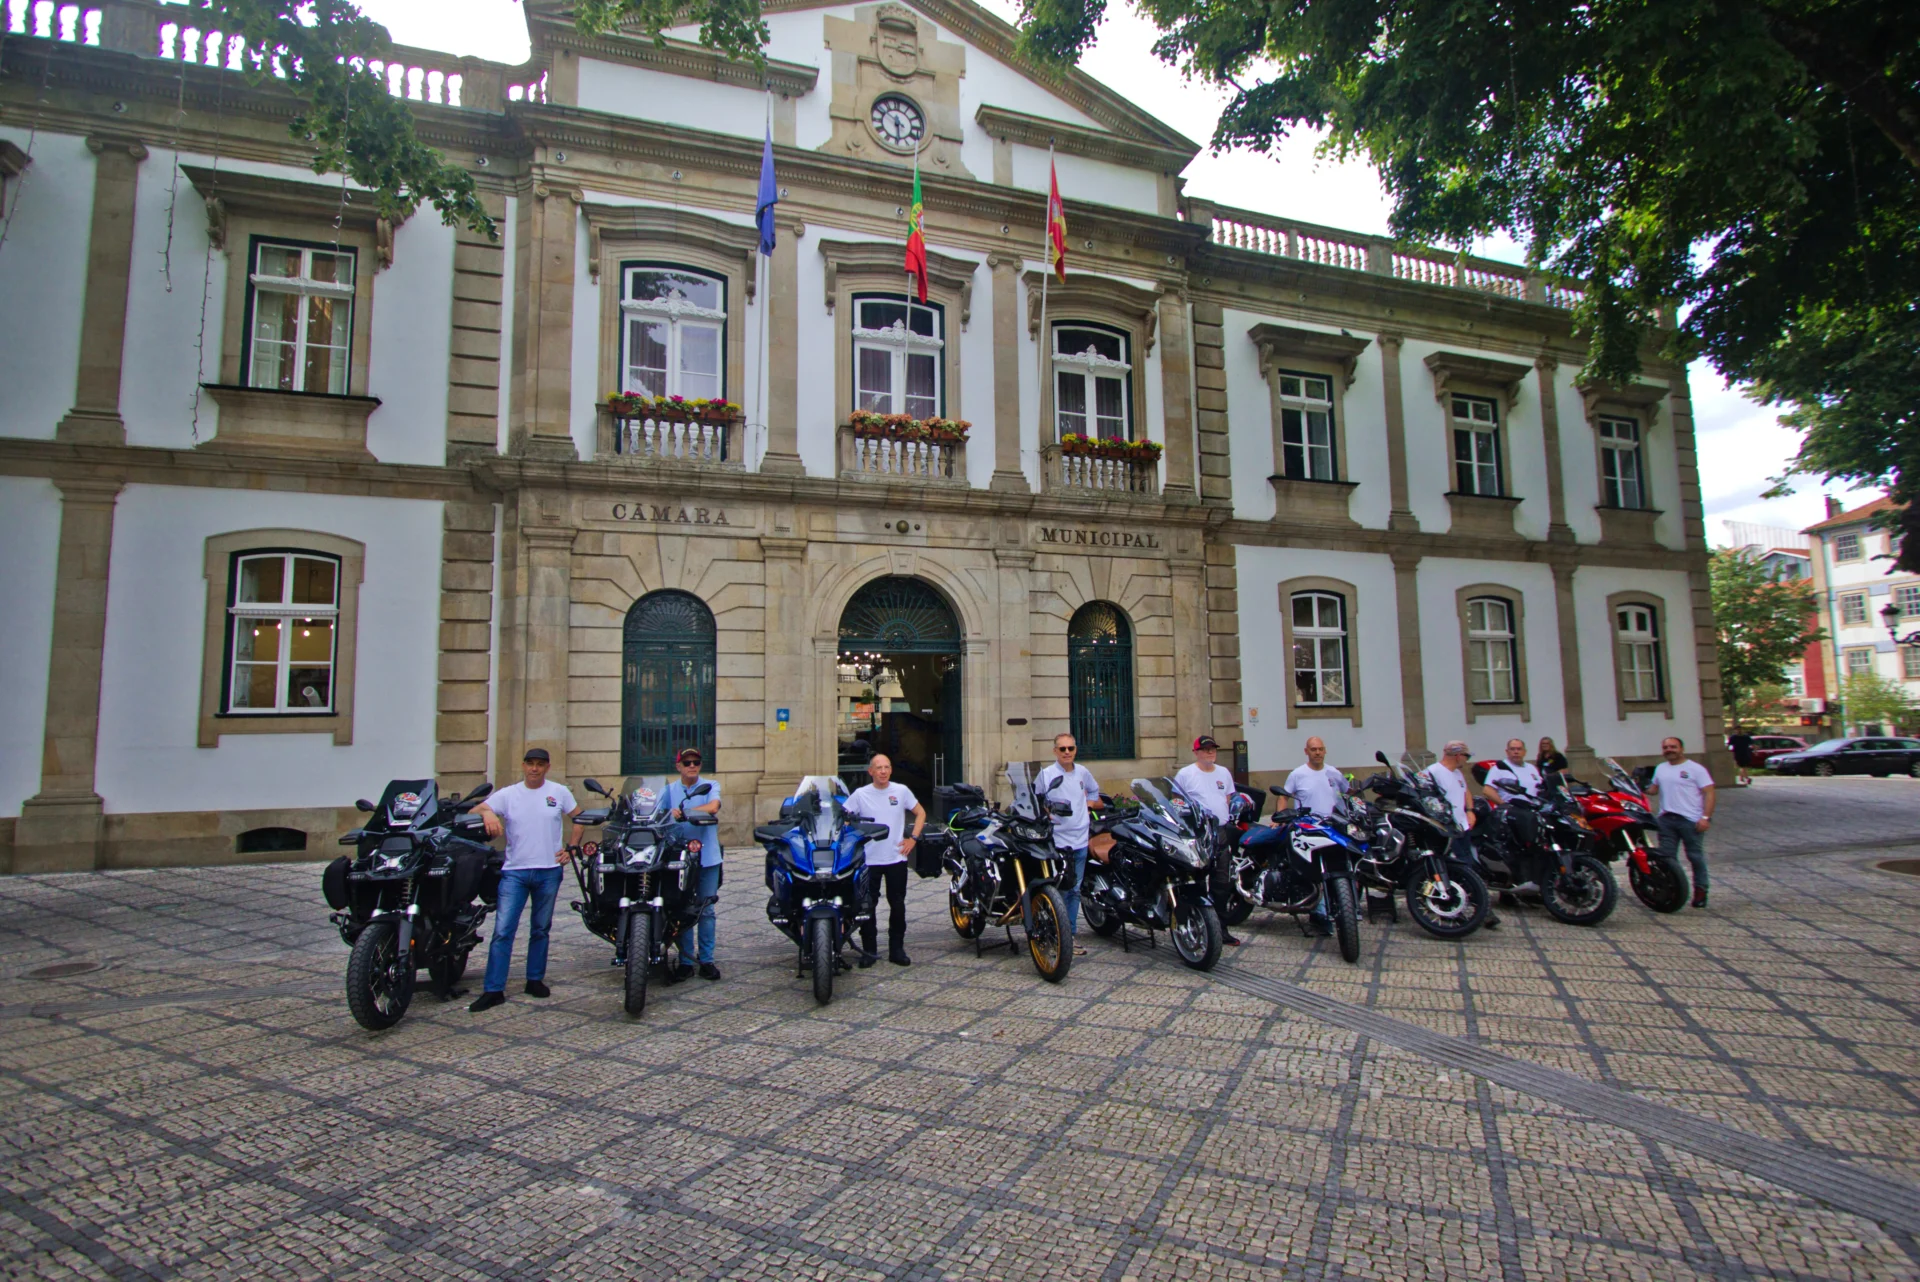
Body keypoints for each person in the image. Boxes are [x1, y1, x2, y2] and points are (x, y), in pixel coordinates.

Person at [470, 748, 584, 1012]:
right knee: (503, 931)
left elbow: (579, 817)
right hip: (515, 872)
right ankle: (493, 988)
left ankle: (534, 979)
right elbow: (477, 808)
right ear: (523, 766)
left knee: (541, 928)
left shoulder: (559, 792)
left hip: (548, 871)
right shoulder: (509, 794)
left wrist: (572, 848)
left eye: (540, 765)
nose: (535, 769)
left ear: (547, 767)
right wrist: (488, 813)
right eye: (530, 764)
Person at [846, 753, 924, 966]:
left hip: (896, 858)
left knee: (897, 904)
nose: (883, 771)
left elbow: (920, 813)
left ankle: (896, 950)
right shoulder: (860, 794)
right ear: (870, 771)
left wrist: (913, 839)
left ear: (891, 770)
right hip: (869, 860)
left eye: (886, 767)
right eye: (878, 767)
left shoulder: (901, 791)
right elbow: (844, 818)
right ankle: (869, 951)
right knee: (867, 906)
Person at [1034, 732, 1104, 956]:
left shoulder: (1083, 772)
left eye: (1070, 749)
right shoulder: (1046, 775)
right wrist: (1046, 813)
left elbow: (1094, 791)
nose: (1067, 752)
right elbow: (1035, 800)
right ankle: (1053, 933)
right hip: (1057, 841)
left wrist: (1089, 804)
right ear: (1055, 751)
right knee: (1056, 890)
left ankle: (1069, 936)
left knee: (1074, 890)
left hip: (1080, 840)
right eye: (1062, 749)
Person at [1173, 734, 1242, 946]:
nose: (1210, 752)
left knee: (1223, 880)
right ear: (1196, 752)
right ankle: (1201, 925)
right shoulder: (1186, 774)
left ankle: (1221, 927)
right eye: (1205, 749)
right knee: (1198, 880)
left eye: (1213, 748)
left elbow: (1228, 798)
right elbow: (1176, 802)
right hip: (1198, 832)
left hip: (1220, 830)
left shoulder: (1223, 773)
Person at [661, 747, 723, 982]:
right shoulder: (668, 790)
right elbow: (658, 814)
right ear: (678, 766)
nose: (692, 766)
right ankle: (686, 960)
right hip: (678, 861)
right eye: (686, 762)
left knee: (706, 909)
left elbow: (713, 807)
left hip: (707, 858)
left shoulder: (710, 785)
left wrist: (685, 812)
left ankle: (706, 960)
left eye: (696, 761)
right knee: (681, 909)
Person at [1424, 739, 1500, 929]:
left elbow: (1465, 791)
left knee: (1469, 865)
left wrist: (1470, 810)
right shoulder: (1433, 772)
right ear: (1458, 755)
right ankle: (1478, 908)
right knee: (1462, 868)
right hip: (1447, 830)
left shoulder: (1457, 772)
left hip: (1462, 827)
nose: (1466, 760)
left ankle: (1478, 906)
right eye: (1465, 756)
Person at [1275, 735, 1347, 935]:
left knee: (1338, 868)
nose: (1317, 753)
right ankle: (1319, 913)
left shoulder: (1334, 773)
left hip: (1333, 828)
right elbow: (1284, 796)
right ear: (1306, 751)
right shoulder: (1298, 774)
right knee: (1314, 872)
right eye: (1313, 749)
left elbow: (1348, 794)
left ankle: (1345, 907)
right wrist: (1280, 817)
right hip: (1307, 829)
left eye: (1321, 749)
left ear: (1325, 751)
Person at [1646, 735, 1715, 909]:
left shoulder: (1695, 769)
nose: (1669, 750)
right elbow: (1653, 790)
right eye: (1666, 747)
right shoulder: (1661, 768)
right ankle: (1671, 891)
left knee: (1695, 857)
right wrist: (1637, 782)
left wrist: (1705, 817)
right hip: (1666, 819)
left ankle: (1701, 890)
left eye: (1673, 747)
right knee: (1667, 859)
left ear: (1681, 749)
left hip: (1690, 820)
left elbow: (1710, 793)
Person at [1484, 738, 1544, 804]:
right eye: (1512, 749)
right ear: (1507, 752)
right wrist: (1503, 804)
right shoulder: (1499, 768)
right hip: (1513, 810)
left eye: (1519, 749)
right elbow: (1487, 790)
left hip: (1534, 809)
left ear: (1524, 752)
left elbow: (1541, 787)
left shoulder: (1531, 768)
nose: (1516, 752)